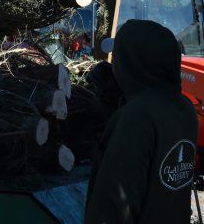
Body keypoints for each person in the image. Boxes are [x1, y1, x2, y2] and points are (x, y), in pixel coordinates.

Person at [84, 19, 198, 224]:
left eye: (118, 57)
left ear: (131, 62)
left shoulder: (137, 117)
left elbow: (114, 205)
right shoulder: (185, 108)